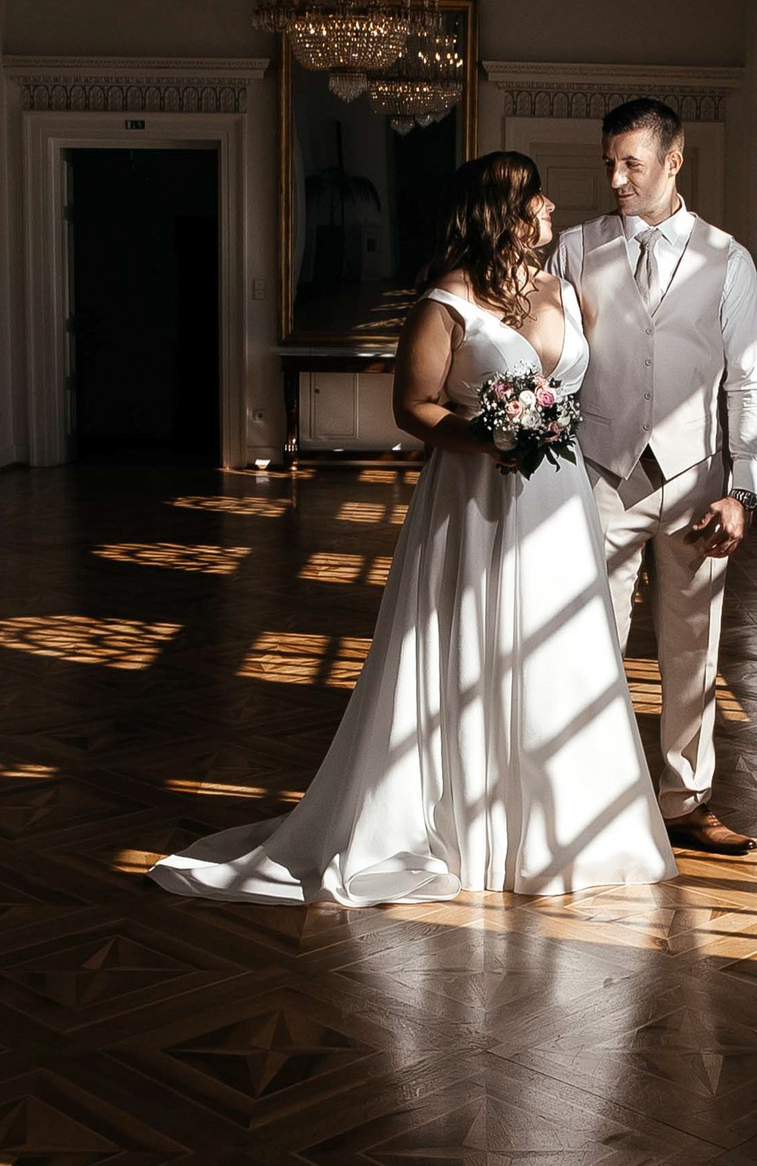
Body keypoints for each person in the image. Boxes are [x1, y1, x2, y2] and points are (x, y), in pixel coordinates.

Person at [151, 152, 676, 907]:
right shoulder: (446, 301)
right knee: (472, 645)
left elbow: (579, 391)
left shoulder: (564, 289)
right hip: (474, 500)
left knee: (558, 649)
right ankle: (462, 826)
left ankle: (568, 829)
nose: (551, 205)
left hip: (558, 505)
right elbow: (414, 407)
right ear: (505, 209)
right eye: (536, 195)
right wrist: (490, 437)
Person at [553, 95, 757, 857]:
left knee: (694, 650)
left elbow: (747, 380)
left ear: (673, 161)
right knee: (592, 645)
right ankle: (591, 802)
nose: (615, 177)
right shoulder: (575, 249)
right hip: (600, 477)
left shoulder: (727, 259)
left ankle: (686, 800)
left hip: (695, 481)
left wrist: (742, 489)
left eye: (631, 163)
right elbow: (548, 361)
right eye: (609, 162)